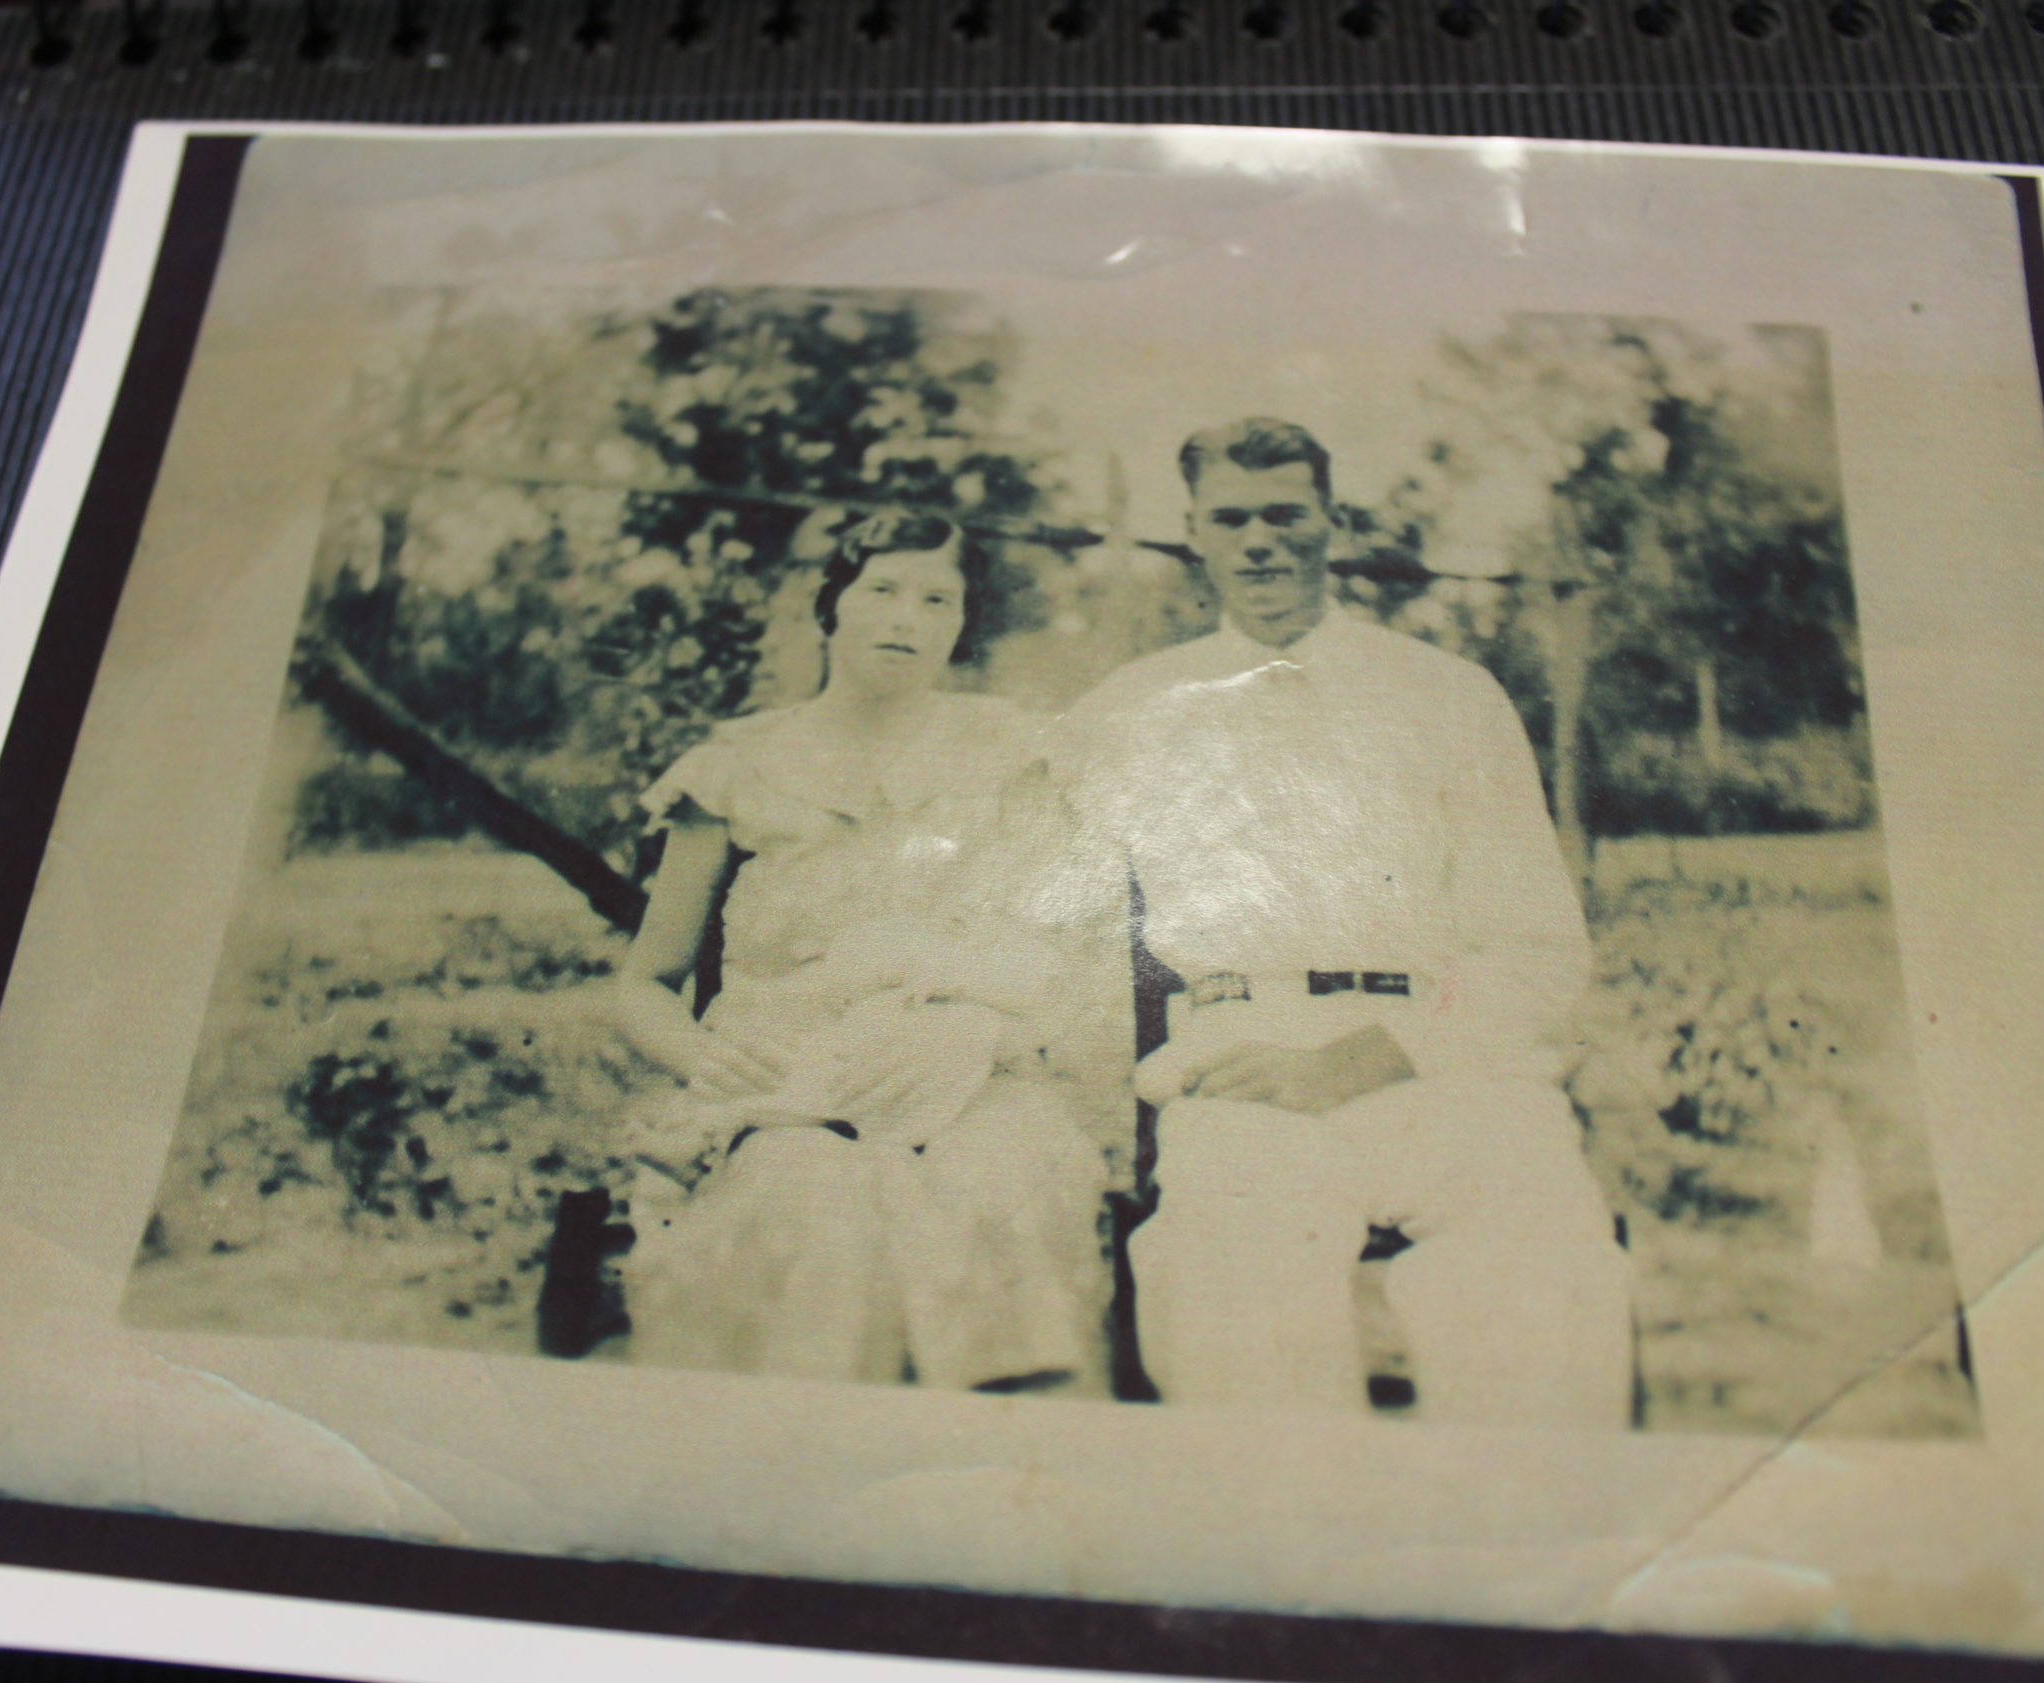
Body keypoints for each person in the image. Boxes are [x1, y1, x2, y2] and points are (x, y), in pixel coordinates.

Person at [1056, 418, 1634, 1426]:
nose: (1260, 542)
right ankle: (1298, 1521)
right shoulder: (1127, 707)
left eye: (1286, 515)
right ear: (1193, 532)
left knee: (1541, 1268)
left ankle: (1522, 1518)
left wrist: (1370, 1057)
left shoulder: (1448, 695)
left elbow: (1537, 950)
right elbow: (1055, 918)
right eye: (1231, 519)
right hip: (1241, 1061)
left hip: (1446, 1056)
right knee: (1239, 1291)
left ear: (1334, 521)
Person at [606, 512, 1112, 1393]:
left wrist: (986, 1034)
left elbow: (1069, 953)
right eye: (881, 589)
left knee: (1002, 1190)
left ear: (962, 622)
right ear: (832, 605)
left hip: (975, 1076)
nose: (906, 617)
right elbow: (644, 982)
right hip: (783, 1084)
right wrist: (699, 1057)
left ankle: (1001, 1454)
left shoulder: (1015, 750)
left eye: (937, 599)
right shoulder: (738, 765)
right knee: (814, 1209)